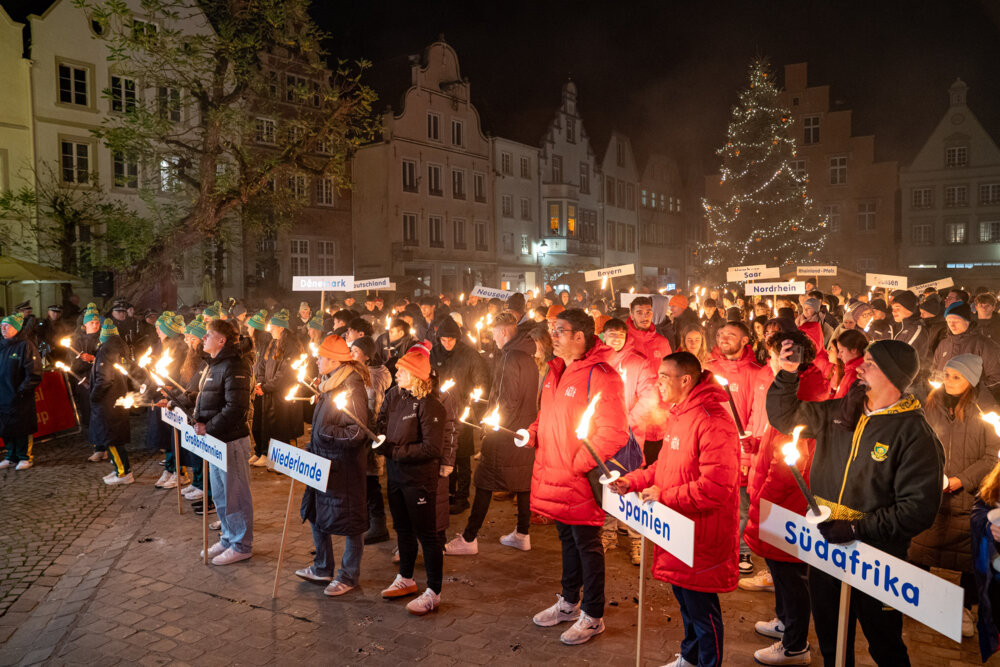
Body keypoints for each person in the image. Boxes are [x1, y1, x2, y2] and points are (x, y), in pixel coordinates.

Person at [767, 338, 944, 666]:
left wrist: (856, 528)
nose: (860, 367)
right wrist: (787, 374)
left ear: (892, 375)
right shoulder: (841, 411)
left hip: (877, 558)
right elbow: (785, 417)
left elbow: (917, 510)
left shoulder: (915, 435)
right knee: (832, 640)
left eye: (871, 363)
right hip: (827, 548)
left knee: (884, 643)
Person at [610, 351, 740, 667]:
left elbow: (716, 488)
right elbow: (664, 466)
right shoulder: (681, 414)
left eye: (665, 377)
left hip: (702, 534)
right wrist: (632, 481)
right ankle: (691, 658)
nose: (659, 383)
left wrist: (665, 496)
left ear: (686, 380)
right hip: (680, 529)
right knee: (686, 601)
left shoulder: (712, 421)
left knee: (702, 609)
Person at [526, 308, 628, 646]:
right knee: (567, 540)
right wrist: (532, 433)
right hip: (553, 473)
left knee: (587, 544)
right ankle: (569, 602)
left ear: (580, 336)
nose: (552, 336)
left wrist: (578, 463)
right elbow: (547, 414)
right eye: (552, 330)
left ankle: (593, 615)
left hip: (578, 477)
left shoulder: (601, 376)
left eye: (560, 330)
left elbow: (614, 432)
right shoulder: (555, 370)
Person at [742, 328, 829, 664]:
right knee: (781, 571)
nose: (770, 361)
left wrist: (763, 498)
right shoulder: (795, 387)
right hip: (778, 494)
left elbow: (792, 458)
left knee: (791, 574)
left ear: (793, 358)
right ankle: (784, 622)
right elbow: (777, 438)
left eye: (775, 355)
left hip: (787, 500)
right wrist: (757, 445)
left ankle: (795, 645)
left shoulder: (804, 393)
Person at [909, 354, 999, 638]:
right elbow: (919, 442)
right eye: (947, 374)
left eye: (956, 377)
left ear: (971, 380)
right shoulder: (931, 403)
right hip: (932, 492)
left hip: (967, 496)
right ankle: (915, 595)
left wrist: (962, 480)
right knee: (920, 546)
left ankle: (964, 607)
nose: (948, 381)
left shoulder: (986, 411)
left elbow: (991, 457)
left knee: (967, 557)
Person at [445, 312, 538, 554]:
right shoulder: (527, 356)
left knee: (484, 480)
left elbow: (507, 400)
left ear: (504, 331)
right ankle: (522, 533)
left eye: (494, 333)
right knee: (523, 482)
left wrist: (490, 426)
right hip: (523, 432)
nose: (493, 338)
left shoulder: (509, 357)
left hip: (504, 432)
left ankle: (469, 539)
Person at [297, 335, 371, 594]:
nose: (317, 361)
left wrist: (324, 433)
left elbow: (357, 432)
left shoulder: (352, 387)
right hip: (323, 462)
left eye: (321, 357)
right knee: (316, 512)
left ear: (334, 361)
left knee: (351, 522)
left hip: (344, 468)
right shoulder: (330, 384)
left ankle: (349, 576)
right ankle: (322, 567)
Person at [376, 347, 446, 615]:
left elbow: (431, 448)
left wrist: (395, 452)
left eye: (402, 370)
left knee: (427, 535)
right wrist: (378, 440)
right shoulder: (395, 396)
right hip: (395, 475)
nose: (396, 373)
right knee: (402, 529)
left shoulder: (431, 405)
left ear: (416, 375)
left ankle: (434, 592)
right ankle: (405, 578)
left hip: (419, 480)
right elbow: (382, 423)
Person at [194, 319, 254, 565]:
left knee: (235, 494)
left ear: (221, 340)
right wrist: (179, 399)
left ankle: (242, 544)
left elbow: (236, 407)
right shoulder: (214, 364)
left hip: (231, 440)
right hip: (215, 441)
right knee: (220, 493)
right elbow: (210, 399)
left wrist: (209, 426)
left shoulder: (235, 365)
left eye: (208, 334)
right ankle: (229, 537)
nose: (203, 338)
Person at [704, 321, 762, 576]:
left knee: (741, 504)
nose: (723, 338)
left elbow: (757, 414)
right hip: (711, 447)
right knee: (711, 500)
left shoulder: (756, 372)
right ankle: (714, 548)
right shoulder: (709, 368)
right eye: (721, 334)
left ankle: (741, 550)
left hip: (740, 450)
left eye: (731, 334)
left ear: (745, 340)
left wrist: (746, 454)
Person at [429, 316, 490, 514]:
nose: (447, 343)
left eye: (451, 340)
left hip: (462, 412)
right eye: (443, 340)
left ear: (457, 338)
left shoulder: (469, 355)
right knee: (445, 454)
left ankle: (462, 497)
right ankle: (448, 493)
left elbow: (481, 381)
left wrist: (476, 408)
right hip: (439, 412)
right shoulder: (434, 353)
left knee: (462, 456)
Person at [351, 336, 393, 544]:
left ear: (367, 356)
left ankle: (378, 526)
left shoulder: (373, 378)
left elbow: (373, 411)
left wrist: (368, 438)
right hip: (363, 433)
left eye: (355, 352)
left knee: (371, 482)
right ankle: (367, 522)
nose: (351, 355)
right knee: (364, 481)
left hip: (369, 436)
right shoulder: (362, 372)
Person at [253, 309, 303, 467]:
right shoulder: (273, 343)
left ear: (282, 327)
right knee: (266, 424)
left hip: (281, 394)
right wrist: (260, 383)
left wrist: (267, 387)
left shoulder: (291, 346)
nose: (270, 330)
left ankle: (278, 460)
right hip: (268, 391)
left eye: (273, 327)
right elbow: (262, 364)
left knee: (280, 427)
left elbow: (285, 373)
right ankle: (264, 453)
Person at [90, 319, 132, 484]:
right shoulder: (119, 347)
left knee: (111, 438)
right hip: (117, 398)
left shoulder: (106, 350)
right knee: (114, 437)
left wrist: (94, 395)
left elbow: (104, 379)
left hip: (108, 402)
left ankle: (123, 473)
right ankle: (118, 468)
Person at [931, 301, 1000, 401]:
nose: (952, 325)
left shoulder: (984, 345)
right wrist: (935, 379)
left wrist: (971, 391)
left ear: (967, 321)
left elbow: (996, 377)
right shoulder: (944, 344)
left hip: (972, 402)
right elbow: (935, 369)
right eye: (949, 321)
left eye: (956, 321)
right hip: (944, 401)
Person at [0, 313, 42, 470]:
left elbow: (34, 373)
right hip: (2, 395)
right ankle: (10, 456)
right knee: (5, 426)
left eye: (7, 326)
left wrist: (22, 390)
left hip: (19, 396)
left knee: (21, 427)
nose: (3, 329)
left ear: (16, 328)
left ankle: (25, 457)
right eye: (1, 326)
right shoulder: (1, 345)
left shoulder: (26, 346)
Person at [828, 328, 868, 399]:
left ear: (854, 350)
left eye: (841, 351)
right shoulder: (850, 370)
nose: (838, 356)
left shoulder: (856, 375)